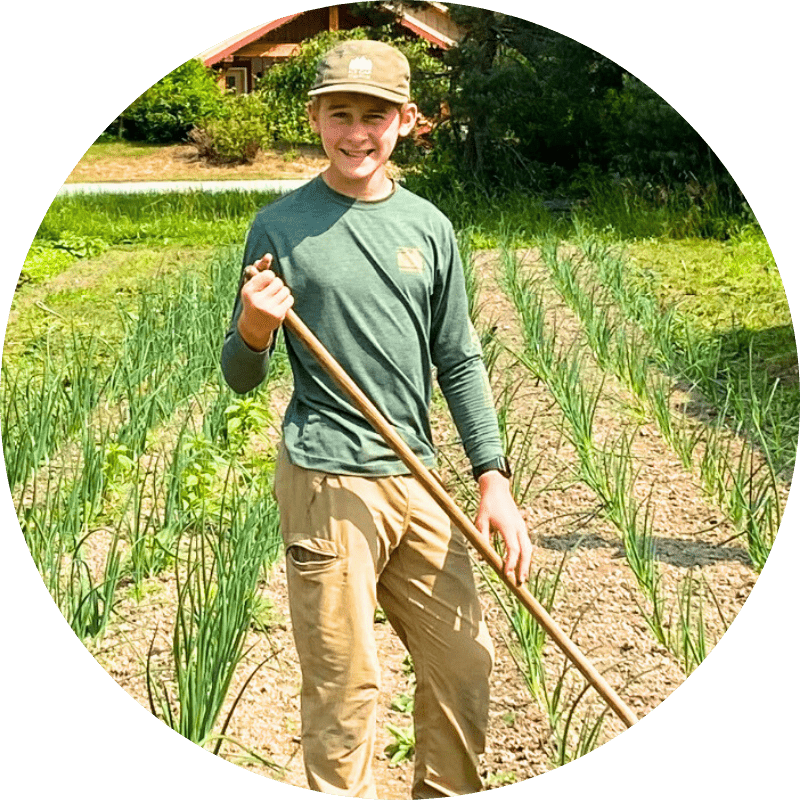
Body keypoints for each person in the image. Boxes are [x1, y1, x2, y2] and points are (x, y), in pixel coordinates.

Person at [221, 39, 532, 798]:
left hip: (417, 479)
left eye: (375, 116)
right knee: (345, 685)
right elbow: (238, 374)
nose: (357, 132)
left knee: (465, 666)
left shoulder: (430, 228)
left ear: (407, 122)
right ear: (315, 118)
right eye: (341, 114)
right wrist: (256, 328)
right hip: (328, 481)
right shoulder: (280, 227)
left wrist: (492, 478)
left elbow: (458, 361)